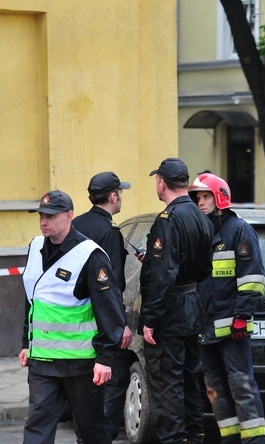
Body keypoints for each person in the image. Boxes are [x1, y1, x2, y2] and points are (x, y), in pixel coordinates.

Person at [19, 190, 125, 444]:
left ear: (69, 216)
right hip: (42, 361)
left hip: (82, 364)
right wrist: (26, 342)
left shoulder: (90, 255)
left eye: (51, 216)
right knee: (37, 426)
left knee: (91, 431)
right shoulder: (35, 247)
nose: (44, 221)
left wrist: (105, 358)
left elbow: (108, 310)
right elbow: (32, 299)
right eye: (42, 215)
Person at [188, 173, 265, 443]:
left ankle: (255, 440)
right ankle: (230, 439)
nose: (200, 202)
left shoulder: (239, 230)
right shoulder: (200, 232)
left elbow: (253, 278)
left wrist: (241, 317)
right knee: (215, 390)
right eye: (197, 197)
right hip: (205, 329)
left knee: (241, 386)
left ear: (220, 197)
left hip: (232, 328)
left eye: (206, 196)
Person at [139, 158, 214, 444]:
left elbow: (163, 274)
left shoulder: (168, 220)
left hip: (170, 312)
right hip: (192, 305)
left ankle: (173, 438)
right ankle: (194, 435)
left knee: (166, 383)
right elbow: (204, 268)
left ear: (161, 182)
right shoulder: (200, 216)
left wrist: (150, 319)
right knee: (190, 378)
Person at [72, 171, 132, 441]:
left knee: (81, 390)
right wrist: (121, 326)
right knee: (112, 384)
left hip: (72, 324)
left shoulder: (75, 225)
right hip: (101, 325)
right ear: (113, 196)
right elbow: (113, 287)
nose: (121, 196)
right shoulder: (109, 232)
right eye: (120, 192)